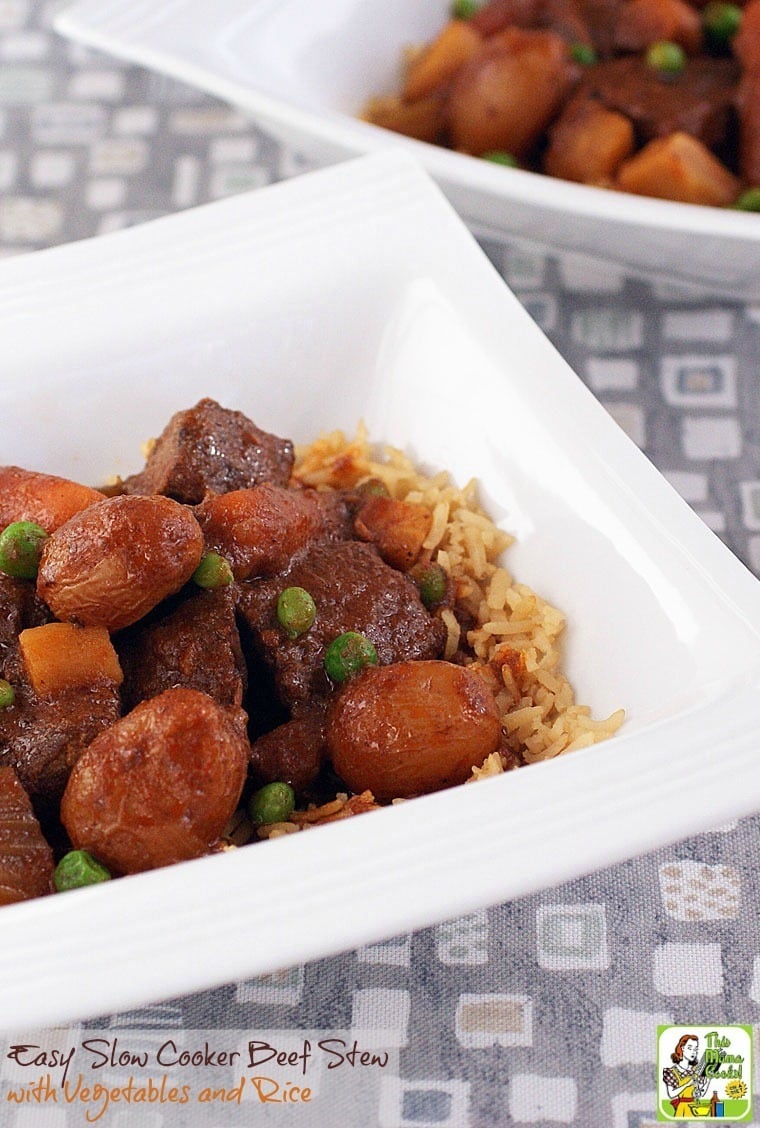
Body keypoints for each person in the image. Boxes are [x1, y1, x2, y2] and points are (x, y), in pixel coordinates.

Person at [662, 1034, 709, 1117]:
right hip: (682, 1109)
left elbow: (700, 1093)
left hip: (694, 1109)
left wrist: (708, 1079)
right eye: (690, 1048)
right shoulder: (671, 1072)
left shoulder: (696, 1070)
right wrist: (687, 1084)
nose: (693, 1052)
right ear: (682, 1048)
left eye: (695, 1049)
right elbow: (671, 1094)